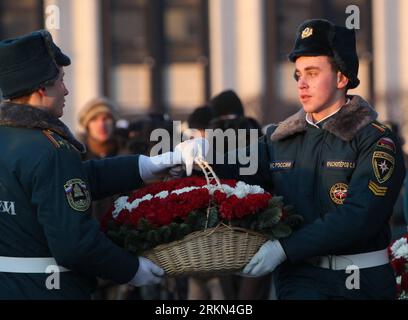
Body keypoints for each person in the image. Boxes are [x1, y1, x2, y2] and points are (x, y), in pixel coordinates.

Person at [0, 30, 205, 299]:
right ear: (41, 88)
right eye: (60, 81)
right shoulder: (51, 150)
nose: (66, 90)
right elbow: (74, 244)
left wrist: (148, 165)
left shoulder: (12, 139)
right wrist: (131, 269)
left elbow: (75, 180)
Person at [211, 19, 406, 299]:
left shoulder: (375, 140)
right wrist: (187, 159)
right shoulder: (279, 140)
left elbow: (359, 217)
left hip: (361, 283)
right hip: (299, 281)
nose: (301, 83)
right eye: (298, 74)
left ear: (342, 77)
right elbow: (226, 169)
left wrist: (284, 248)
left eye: (312, 73)